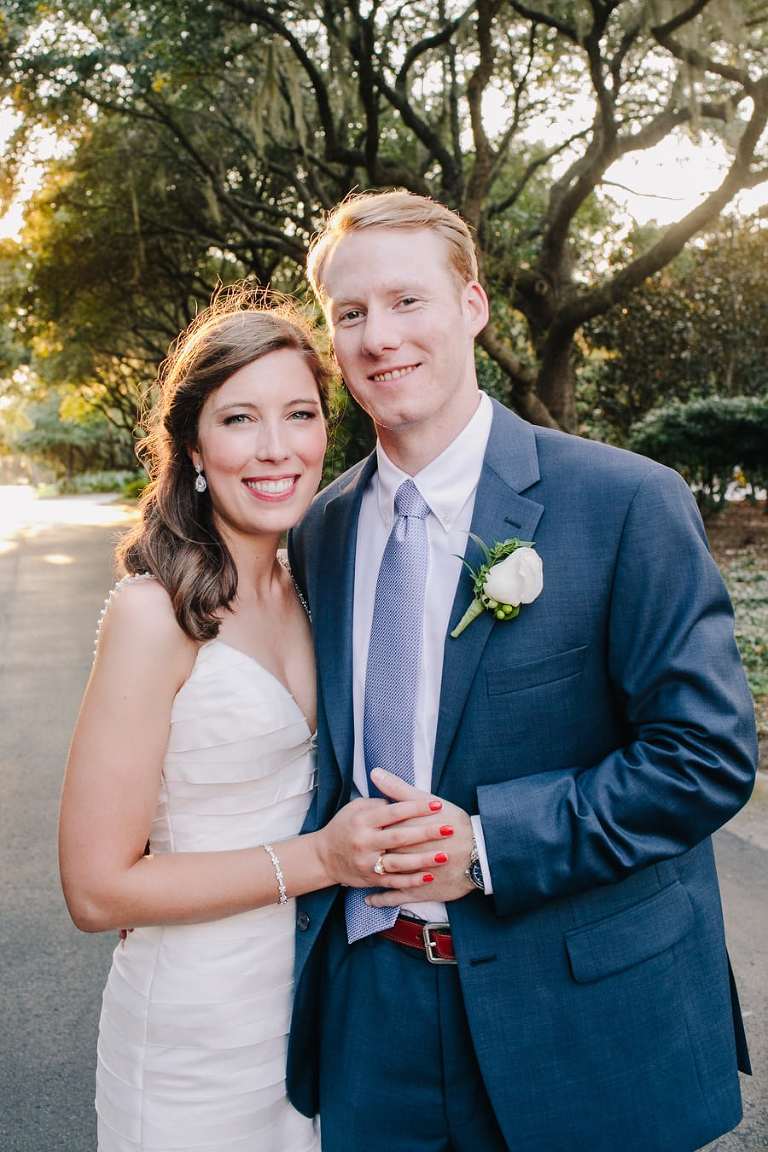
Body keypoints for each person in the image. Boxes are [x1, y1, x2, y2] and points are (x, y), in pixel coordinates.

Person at [286, 191, 758, 1152]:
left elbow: (705, 757)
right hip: (371, 1014)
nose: (380, 337)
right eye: (350, 314)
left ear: (472, 306)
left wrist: (491, 848)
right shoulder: (317, 532)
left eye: (408, 301)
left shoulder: (624, 503)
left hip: (580, 1009)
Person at [58, 293, 446, 1152]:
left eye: (299, 414)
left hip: (317, 1008)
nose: (277, 448)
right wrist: (320, 858)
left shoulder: (319, 577)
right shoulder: (152, 614)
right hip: (196, 1026)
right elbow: (95, 890)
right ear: (194, 447)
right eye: (240, 418)